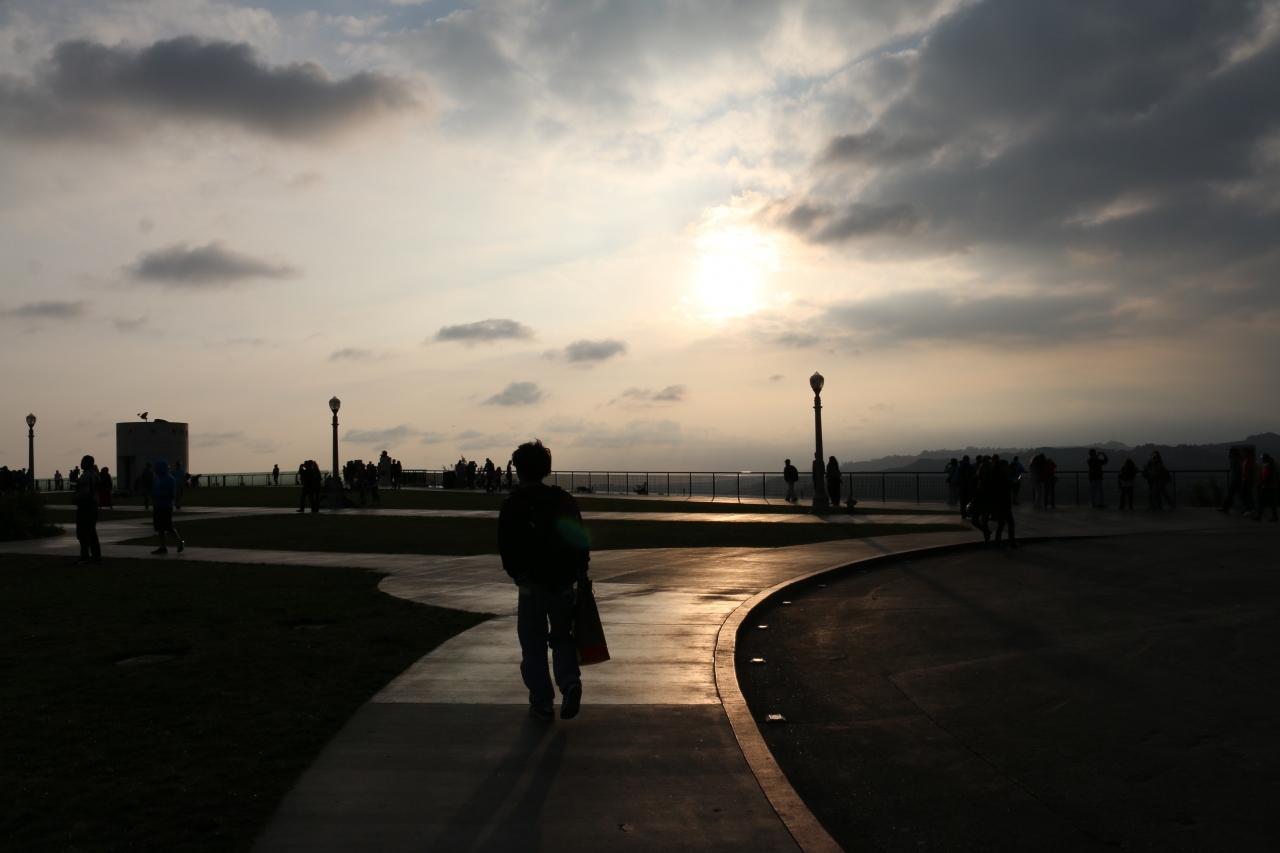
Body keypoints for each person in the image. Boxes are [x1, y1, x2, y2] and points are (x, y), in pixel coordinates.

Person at [498, 440, 590, 722]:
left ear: (518, 469)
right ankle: (569, 682)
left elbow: (507, 545)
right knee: (562, 637)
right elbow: (579, 539)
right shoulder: (562, 499)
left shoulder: (514, 503)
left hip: (531, 586)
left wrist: (519, 574)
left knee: (533, 645)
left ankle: (542, 702)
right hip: (562, 583)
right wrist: (580, 572)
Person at [150, 460, 185, 555]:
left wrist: (160, 496)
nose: (156, 470)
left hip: (166, 506)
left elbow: (171, 494)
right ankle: (163, 547)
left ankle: (179, 542)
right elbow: (154, 490)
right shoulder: (157, 479)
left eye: (157, 468)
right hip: (158, 506)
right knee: (160, 528)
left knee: (168, 527)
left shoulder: (170, 479)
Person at [74, 454, 102, 564]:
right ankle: (95, 555)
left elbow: (85, 492)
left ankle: (86, 555)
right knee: (90, 531)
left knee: (83, 532)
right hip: (92, 506)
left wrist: (76, 498)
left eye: (83, 461)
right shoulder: (95, 475)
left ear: (87, 463)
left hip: (86, 506)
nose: (81, 463)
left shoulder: (87, 476)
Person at [1255, 453, 1278, 522]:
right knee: (1271, 501)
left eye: (1262, 458)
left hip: (1266, 486)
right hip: (1270, 486)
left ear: (1264, 459)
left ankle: (1259, 515)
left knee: (1261, 501)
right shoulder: (1271, 465)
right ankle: (1274, 516)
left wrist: (1261, 483)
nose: (1261, 460)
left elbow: (1265, 476)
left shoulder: (1267, 466)